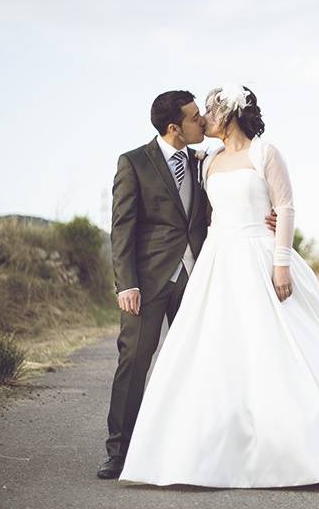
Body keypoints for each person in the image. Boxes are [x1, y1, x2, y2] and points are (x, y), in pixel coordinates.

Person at [118, 85, 319, 487]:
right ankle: (194, 452)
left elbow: (286, 207)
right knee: (211, 354)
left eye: (209, 111)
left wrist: (281, 260)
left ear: (227, 115)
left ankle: (299, 449)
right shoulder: (206, 161)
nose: (204, 118)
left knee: (278, 349)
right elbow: (201, 215)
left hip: (261, 257)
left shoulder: (265, 153)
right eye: (198, 114)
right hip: (217, 261)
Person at [97, 90, 276, 479]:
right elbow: (122, 228)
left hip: (201, 277)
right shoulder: (134, 163)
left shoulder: (205, 161)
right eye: (196, 118)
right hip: (146, 283)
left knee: (198, 362)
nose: (204, 122)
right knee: (134, 361)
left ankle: (187, 449)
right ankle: (120, 451)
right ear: (174, 128)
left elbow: (228, 206)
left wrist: (269, 217)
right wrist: (126, 283)